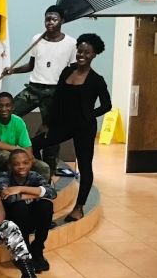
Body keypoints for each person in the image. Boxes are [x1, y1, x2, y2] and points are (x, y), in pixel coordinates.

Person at [31, 33, 111, 222]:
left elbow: (107, 105)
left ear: (94, 55)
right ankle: (42, 181)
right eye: (80, 51)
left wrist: (88, 116)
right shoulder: (68, 72)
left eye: (87, 52)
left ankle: (79, 207)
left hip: (84, 128)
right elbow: (57, 98)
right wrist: (46, 122)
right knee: (34, 144)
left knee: (84, 166)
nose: (82, 54)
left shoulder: (96, 80)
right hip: (62, 124)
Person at [3, 5, 77, 175]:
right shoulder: (37, 38)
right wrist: (13, 70)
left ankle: (49, 171)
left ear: (62, 21)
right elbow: (31, 65)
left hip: (55, 93)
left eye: (54, 19)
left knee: (52, 133)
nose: (50, 22)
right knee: (8, 113)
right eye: (47, 19)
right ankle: (8, 153)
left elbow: (73, 71)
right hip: (34, 88)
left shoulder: (71, 43)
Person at [0, 149, 57, 273]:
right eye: (16, 164)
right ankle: (24, 252)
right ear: (10, 166)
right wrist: (37, 193)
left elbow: (52, 193)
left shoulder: (34, 176)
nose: (21, 167)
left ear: (30, 163)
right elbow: (8, 198)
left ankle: (38, 248)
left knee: (46, 205)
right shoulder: (3, 176)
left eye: (25, 163)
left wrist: (19, 188)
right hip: (14, 220)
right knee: (20, 206)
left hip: (31, 218)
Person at [0, 92, 50, 181]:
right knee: (6, 157)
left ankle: (42, 191)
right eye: (0, 106)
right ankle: (8, 187)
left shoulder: (18, 121)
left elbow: (27, 146)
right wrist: (17, 150)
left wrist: (28, 158)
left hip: (15, 155)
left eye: (7, 105)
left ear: (13, 107)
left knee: (43, 167)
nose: (4, 109)